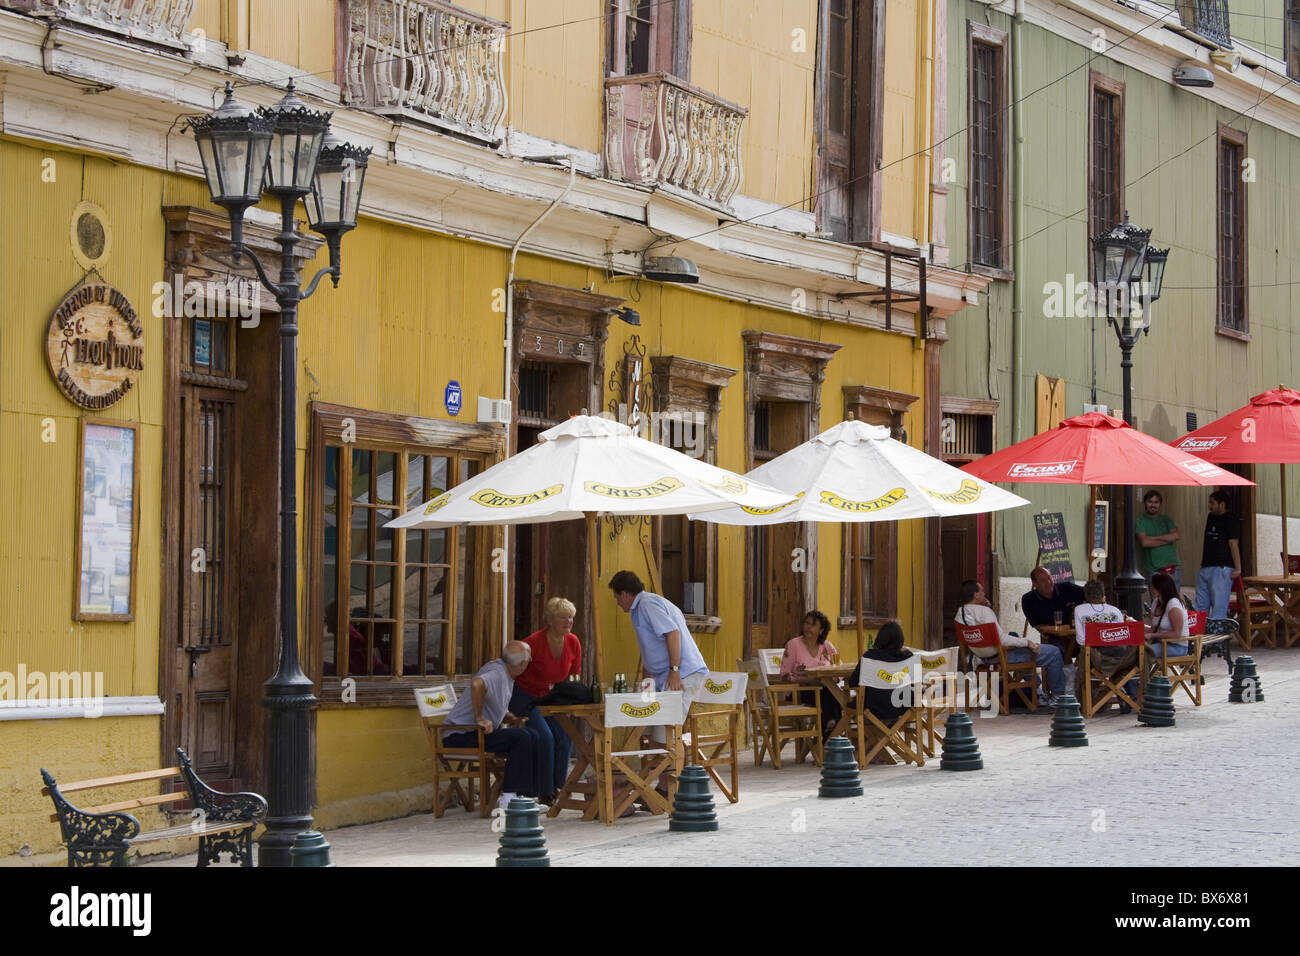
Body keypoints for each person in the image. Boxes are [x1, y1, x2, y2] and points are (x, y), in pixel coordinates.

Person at [440, 641, 545, 810]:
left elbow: (494, 701)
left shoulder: (504, 672)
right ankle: (509, 798)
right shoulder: (497, 672)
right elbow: (477, 684)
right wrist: (479, 718)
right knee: (522, 738)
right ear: (522, 664)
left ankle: (523, 796)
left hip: (474, 734)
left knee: (532, 734)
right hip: (459, 736)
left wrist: (510, 717)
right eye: (529, 660)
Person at [510, 597, 582, 803]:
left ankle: (558, 786)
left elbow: (574, 676)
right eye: (563, 617)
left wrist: (568, 702)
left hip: (552, 698)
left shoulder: (573, 641)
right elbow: (514, 671)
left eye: (571, 617)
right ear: (550, 620)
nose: (568, 621)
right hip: (525, 695)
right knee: (545, 736)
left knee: (565, 735)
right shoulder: (533, 642)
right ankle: (544, 790)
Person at [608, 569, 708, 715]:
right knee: (649, 725)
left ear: (624, 593)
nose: (617, 603)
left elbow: (673, 634)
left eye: (617, 598)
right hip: (665, 676)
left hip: (681, 673)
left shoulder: (647, 604)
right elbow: (652, 648)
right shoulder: (644, 605)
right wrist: (647, 683)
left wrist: (674, 671)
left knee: (665, 728)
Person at [956, 579, 1066, 706]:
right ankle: (1058, 697)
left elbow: (985, 631)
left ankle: (1037, 691)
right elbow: (1002, 640)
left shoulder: (960, 613)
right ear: (975, 595)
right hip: (1000, 657)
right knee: (1054, 652)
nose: (984, 593)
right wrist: (1027, 642)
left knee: (1013, 635)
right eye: (981, 591)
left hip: (982, 656)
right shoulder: (985, 612)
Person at [1073, 578, 1137, 712]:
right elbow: (1122, 637)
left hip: (1097, 661)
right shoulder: (1115, 610)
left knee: (1085, 657)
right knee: (1116, 660)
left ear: (1086, 595)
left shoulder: (1079, 609)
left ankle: (1090, 703)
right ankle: (1121, 693)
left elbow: (1081, 640)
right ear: (1103, 594)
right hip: (1122, 660)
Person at [780, 610, 840, 737]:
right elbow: (784, 675)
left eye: (813, 624)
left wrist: (833, 678)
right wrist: (806, 680)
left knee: (833, 693)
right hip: (800, 692)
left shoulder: (827, 646)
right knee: (828, 694)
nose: (808, 627)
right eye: (806, 623)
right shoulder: (793, 645)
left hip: (824, 689)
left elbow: (839, 669)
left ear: (821, 630)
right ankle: (833, 731)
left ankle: (830, 731)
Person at [847, 621, 917, 724]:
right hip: (903, 706)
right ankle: (887, 734)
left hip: (874, 707)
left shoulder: (870, 657)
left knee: (856, 700)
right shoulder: (909, 657)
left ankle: (872, 736)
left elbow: (853, 682)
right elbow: (914, 681)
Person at [1195, 491, 1241, 621]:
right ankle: (1200, 638)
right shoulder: (1211, 517)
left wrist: (1237, 568)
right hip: (1205, 566)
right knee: (1200, 607)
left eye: (1212, 503)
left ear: (1222, 504)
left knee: (1219, 607)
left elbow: (1233, 544)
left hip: (1222, 567)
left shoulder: (1231, 519)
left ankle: (1218, 640)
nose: (1209, 506)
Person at [1021, 567, 1087, 656]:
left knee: (1096, 648)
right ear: (1034, 583)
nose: (1048, 582)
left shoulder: (1066, 588)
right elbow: (1039, 626)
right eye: (1043, 580)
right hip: (1053, 639)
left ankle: (1083, 669)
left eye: (1049, 578)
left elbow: (1090, 594)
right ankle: (1067, 666)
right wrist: (1064, 630)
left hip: (1078, 636)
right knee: (1056, 651)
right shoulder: (1028, 599)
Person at [1137, 490, 1182, 591]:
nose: (1153, 505)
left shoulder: (1166, 519)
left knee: (1174, 601)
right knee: (1158, 603)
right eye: (1150, 502)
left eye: (1156, 502)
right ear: (1145, 503)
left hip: (1173, 566)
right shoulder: (1141, 521)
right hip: (1155, 569)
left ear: (1160, 504)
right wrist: (1167, 539)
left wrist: (1152, 538)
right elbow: (1145, 542)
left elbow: (1176, 536)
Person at [1147, 571, 1190, 661]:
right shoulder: (1156, 602)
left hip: (1177, 646)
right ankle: (1140, 674)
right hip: (1161, 643)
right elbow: (1152, 629)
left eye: (1154, 587)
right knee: (1136, 650)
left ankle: (1144, 674)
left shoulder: (1173, 604)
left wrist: (1153, 635)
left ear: (1161, 588)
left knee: (1144, 653)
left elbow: (1177, 634)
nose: (1151, 588)